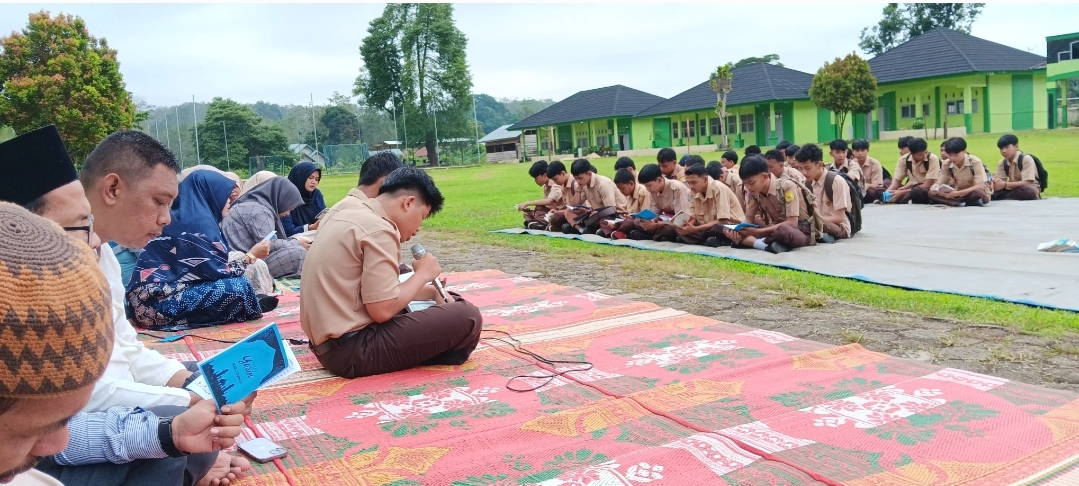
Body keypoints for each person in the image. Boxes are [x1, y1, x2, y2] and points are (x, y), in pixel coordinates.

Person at [0, 203, 250, 486]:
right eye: (80, 223)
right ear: (113, 190)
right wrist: (184, 400)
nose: (60, 443)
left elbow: (126, 351)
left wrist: (171, 433)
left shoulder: (100, 261)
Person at [301, 167, 482, 378]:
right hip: (352, 352)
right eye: (422, 217)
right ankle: (434, 350)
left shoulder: (349, 212)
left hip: (329, 347)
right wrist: (422, 274)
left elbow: (371, 293)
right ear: (408, 203)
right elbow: (382, 310)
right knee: (467, 316)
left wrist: (431, 292)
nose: (418, 228)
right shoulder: (380, 229)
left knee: (451, 302)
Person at [127, 171, 267, 331]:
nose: (229, 201)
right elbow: (219, 272)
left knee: (237, 285)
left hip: (141, 302)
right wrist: (250, 256)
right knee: (238, 287)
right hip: (154, 307)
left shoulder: (183, 217)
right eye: (225, 196)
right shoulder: (199, 224)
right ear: (211, 194)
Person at [723, 155, 816, 254]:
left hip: (798, 230)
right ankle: (765, 245)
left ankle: (752, 242)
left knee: (783, 232)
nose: (748, 187)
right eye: (745, 183)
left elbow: (792, 223)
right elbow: (749, 219)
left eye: (751, 182)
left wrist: (757, 232)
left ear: (765, 176)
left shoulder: (786, 186)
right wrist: (737, 230)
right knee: (726, 228)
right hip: (772, 227)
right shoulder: (753, 192)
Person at [222, 177, 307, 278]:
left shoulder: (253, 204)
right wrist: (297, 242)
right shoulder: (260, 211)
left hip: (239, 259)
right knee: (300, 253)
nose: (288, 214)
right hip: (245, 262)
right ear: (281, 199)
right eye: (290, 208)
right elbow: (269, 244)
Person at [666, 163, 744, 247]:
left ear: (705, 179)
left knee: (717, 228)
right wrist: (686, 227)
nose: (691, 186)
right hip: (705, 229)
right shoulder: (691, 192)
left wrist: (695, 229)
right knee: (674, 227)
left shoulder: (718, 188)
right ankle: (708, 241)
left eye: (694, 182)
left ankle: (701, 240)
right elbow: (692, 216)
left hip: (727, 226)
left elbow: (723, 220)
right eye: (689, 183)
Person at [792, 144, 852, 242]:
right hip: (816, 223)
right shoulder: (807, 183)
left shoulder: (836, 181)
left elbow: (839, 218)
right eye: (800, 168)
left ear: (819, 164)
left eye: (807, 168)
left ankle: (814, 236)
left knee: (806, 227)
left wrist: (815, 221)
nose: (804, 173)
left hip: (838, 227)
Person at [626, 163, 691, 241]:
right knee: (637, 222)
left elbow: (681, 218)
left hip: (679, 220)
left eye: (649, 185)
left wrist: (655, 225)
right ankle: (659, 236)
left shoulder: (677, 188)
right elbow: (655, 213)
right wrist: (648, 221)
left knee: (671, 228)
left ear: (659, 180)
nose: (648, 189)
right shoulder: (653, 191)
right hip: (665, 219)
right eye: (646, 186)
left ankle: (653, 236)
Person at [564, 158, 627, 234]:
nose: (578, 181)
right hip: (595, 214)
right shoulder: (582, 184)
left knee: (602, 221)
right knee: (568, 212)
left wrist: (597, 213)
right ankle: (581, 229)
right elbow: (574, 207)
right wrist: (578, 190)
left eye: (580, 178)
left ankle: (590, 229)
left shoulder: (603, 184)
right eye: (576, 178)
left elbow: (611, 209)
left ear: (589, 174)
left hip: (615, 214)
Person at [932, 137, 991, 207]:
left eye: (956, 155)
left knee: (978, 193)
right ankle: (957, 202)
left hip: (971, 193)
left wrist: (956, 193)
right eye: (950, 155)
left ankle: (954, 202)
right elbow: (940, 183)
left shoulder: (975, 162)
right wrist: (935, 187)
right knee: (931, 193)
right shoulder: (946, 164)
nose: (953, 158)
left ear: (965, 151)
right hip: (956, 195)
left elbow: (980, 186)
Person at [883, 137, 939, 205]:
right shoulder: (903, 160)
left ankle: (901, 199)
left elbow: (927, 185)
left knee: (917, 191)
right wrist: (888, 193)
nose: (924, 156)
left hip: (927, 188)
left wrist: (902, 192)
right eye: (920, 155)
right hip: (911, 186)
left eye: (926, 152)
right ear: (912, 154)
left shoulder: (932, 159)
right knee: (885, 184)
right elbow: (896, 182)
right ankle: (895, 198)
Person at [600, 168, 649, 238]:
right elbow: (628, 212)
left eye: (622, 189)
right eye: (619, 189)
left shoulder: (643, 192)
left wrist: (630, 218)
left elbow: (646, 215)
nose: (621, 192)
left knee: (631, 223)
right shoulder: (629, 195)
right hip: (630, 222)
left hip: (639, 222)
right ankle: (617, 232)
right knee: (603, 220)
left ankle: (617, 233)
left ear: (631, 183)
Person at [281, 162, 326, 236]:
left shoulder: (316, 194)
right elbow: (287, 231)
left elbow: (322, 215)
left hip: (317, 236)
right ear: (300, 176)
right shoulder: (286, 197)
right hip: (294, 241)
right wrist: (310, 228)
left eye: (317, 179)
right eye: (310, 178)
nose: (314, 182)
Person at [992, 134, 1041, 201]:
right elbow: (1000, 182)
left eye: (1007, 147)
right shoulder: (1002, 163)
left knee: (1028, 191)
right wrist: (995, 182)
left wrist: (1005, 184)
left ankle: (1006, 198)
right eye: (1001, 148)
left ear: (1016, 146)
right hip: (1012, 189)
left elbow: (1027, 183)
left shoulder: (1026, 159)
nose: (1004, 151)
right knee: (992, 192)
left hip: (1027, 188)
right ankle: (1008, 197)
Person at [516, 160, 560, 230]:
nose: (535, 181)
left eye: (536, 178)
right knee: (529, 213)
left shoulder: (555, 182)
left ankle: (540, 224)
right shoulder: (546, 186)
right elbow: (546, 205)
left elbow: (549, 201)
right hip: (551, 211)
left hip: (559, 211)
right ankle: (538, 224)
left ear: (545, 175)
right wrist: (532, 211)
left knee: (538, 214)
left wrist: (528, 203)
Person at [544, 160, 583, 232]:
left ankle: (576, 228)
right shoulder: (562, 187)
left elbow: (581, 208)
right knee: (554, 216)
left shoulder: (575, 184)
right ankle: (568, 227)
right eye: (553, 180)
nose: (555, 182)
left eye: (555, 179)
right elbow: (568, 207)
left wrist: (560, 212)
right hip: (570, 213)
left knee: (556, 217)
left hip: (580, 214)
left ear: (563, 173)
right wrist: (557, 211)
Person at [851, 139, 888, 204]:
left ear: (868, 150)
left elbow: (878, 185)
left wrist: (867, 185)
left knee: (873, 191)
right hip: (853, 192)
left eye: (862, 150)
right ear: (853, 151)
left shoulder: (874, 164)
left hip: (868, 192)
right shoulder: (850, 164)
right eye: (857, 151)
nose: (860, 153)